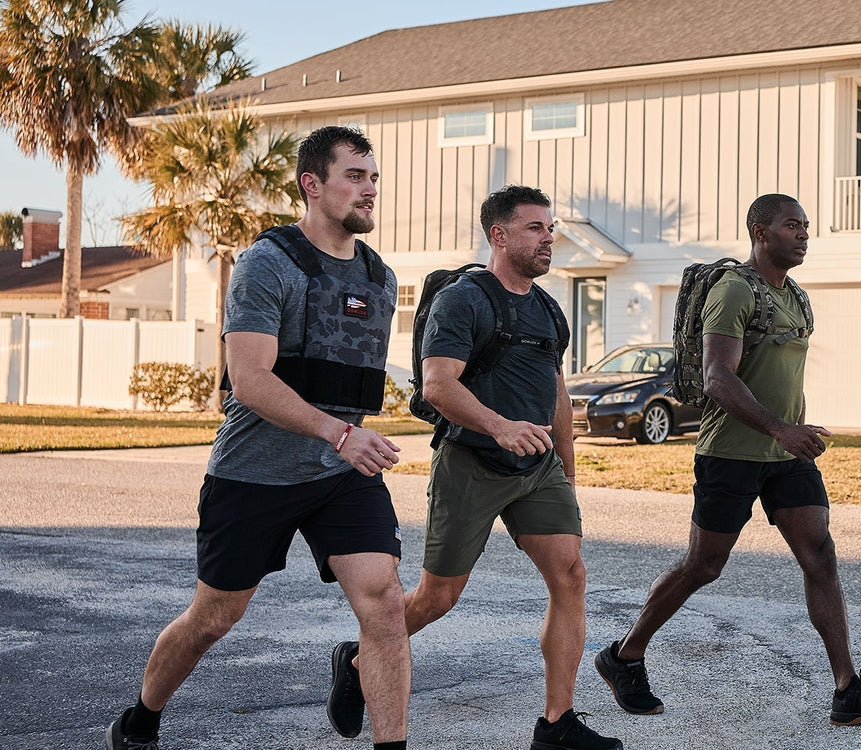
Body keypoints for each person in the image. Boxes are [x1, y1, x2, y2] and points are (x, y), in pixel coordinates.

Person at [107, 126, 410, 750]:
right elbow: (247, 379)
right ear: (312, 184)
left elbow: (348, 382)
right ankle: (141, 717)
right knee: (215, 615)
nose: (369, 189)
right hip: (255, 474)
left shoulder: (381, 280)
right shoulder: (268, 263)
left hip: (339, 475)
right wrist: (337, 432)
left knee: (384, 604)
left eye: (373, 177)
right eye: (355, 176)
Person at [593, 194, 861, 726]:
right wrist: (780, 428)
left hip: (786, 455)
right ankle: (624, 654)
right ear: (760, 231)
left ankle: (847, 689)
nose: (804, 234)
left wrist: (791, 433)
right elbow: (718, 377)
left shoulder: (797, 297)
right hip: (731, 453)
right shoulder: (734, 290)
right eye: (793, 225)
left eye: (807, 226)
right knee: (704, 565)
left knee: (820, 554)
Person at [325, 185, 621, 750]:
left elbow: (554, 388)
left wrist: (567, 465)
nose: (548, 238)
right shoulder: (463, 300)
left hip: (536, 469)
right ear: (499, 235)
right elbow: (438, 384)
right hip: (472, 463)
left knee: (571, 575)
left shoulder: (548, 308)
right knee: (439, 597)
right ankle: (360, 656)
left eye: (550, 227)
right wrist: (500, 426)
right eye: (535, 228)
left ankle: (556, 723)